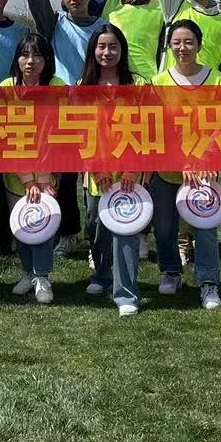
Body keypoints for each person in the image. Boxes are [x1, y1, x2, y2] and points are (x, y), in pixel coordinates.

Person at [149, 19, 221, 310]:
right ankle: (171, 271)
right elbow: (156, 128)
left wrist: (205, 158)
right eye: (176, 43)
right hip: (168, 168)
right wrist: (180, 160)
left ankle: (208, 282)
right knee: (164, 227)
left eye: (188, 42)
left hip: (205, 168)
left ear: (199, 45)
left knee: (205, 228)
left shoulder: (218, 81)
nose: (182, 48)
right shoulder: (159, 83)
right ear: (169, 46)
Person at [17, 0, 100, 256]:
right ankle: (68, 232)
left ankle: (100, 231)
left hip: (95, 110)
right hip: (60, 110)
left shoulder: (104, 28)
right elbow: (39, 5)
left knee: (96, 173)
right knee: (64, 175)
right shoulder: (56, 24)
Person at [76, 24, 142, 316]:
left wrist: (132, 170)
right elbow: (80, 133)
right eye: (101, 46)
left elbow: (146, 131)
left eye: (113, 46)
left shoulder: (137, 85)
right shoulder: (82, 87)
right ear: (93, 51)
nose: (107, 52)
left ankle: (126, 292)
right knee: (97, 226)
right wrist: (96, 169)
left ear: (122, 50)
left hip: (129, 176)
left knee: (126, 231)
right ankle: (102, 275)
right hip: (97, 176)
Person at [0, 32, 61, 304]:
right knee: (22, 223)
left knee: (44, 222)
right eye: (25, 55)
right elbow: (3, 136)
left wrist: (44, 179)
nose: (30, 61)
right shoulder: (6, 88)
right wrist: (27, 179)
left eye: (37, 55)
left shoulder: (57, 88)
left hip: (49, 173)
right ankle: (27, 272)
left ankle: (43, 276)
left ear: (47, 60)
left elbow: (59, 135)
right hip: (16, 175)